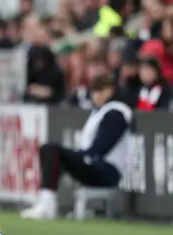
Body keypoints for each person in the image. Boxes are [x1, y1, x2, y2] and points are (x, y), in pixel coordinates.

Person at [21, 74, 132, 220]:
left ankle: (48, 203)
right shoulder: (100, 111)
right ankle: (46, 199)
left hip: (106, 169)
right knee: (50, 152)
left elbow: (103, 145)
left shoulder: (116, 112)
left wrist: (83, 156)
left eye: (99, 91)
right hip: (94, 163)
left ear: (109, 91)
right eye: (93, 92)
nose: (95, 96)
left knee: (51, 150)